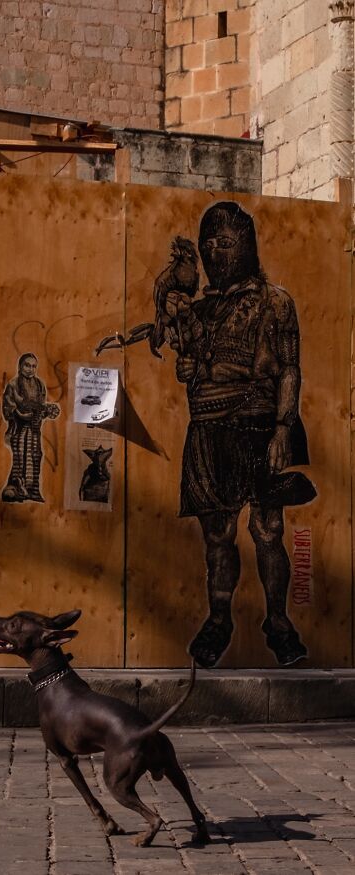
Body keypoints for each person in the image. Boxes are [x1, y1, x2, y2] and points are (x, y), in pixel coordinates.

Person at [172, 202, 315, 668]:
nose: (215, 252)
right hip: (208, 433)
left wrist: (283, 428)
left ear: (246, 246)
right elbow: (192, 367)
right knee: (218, 535)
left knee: (267, 530)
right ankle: (219, 620)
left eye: (225, 243)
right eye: (208, 243)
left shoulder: (276, 302)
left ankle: (279, 622)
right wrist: (189, 367)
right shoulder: (199, 311)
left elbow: (289, 369)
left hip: (258, 427)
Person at [1, 353, 60, 503]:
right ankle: (16, 490)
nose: (30, 369)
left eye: (34, 366)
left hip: (34, 429)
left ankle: (33, 491)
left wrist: (44, 412)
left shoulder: (40, 384)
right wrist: (20, 414)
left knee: (35, 455)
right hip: (19, 429)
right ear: (20, 366)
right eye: (27, 365)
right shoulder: (13, 384)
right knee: (20, 457)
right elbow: (8, 406)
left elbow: (41, 407)